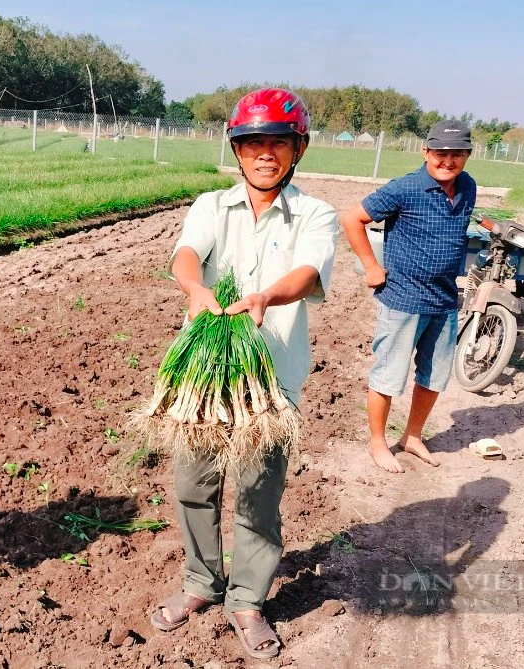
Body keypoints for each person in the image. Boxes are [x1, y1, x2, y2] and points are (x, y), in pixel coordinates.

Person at [149, 88, 337, 659]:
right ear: (237, 149)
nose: (264, 153)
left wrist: (266, 297)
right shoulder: (211, 205)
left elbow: (307, 273)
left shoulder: (315, 213)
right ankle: (201, 584)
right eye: (253, 142)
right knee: (193, 485)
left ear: (297, 148)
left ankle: (247, 600)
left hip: (269, 385)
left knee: (259, 494)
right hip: (204, 383)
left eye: (277, 142)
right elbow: (186, 254)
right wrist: (196, 288)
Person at [342, 120, 477, 473]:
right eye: (441, 153)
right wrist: (371, 266)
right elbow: (353, 218)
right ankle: (378, 443)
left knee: (433, 376)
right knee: (389, 375)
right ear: (426, 152)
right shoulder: (406, 188)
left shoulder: (468, 187)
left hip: (445, 299)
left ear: (467, 155)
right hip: (403, 299)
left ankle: (413, 437)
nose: (448, 160)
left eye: (457, 153)